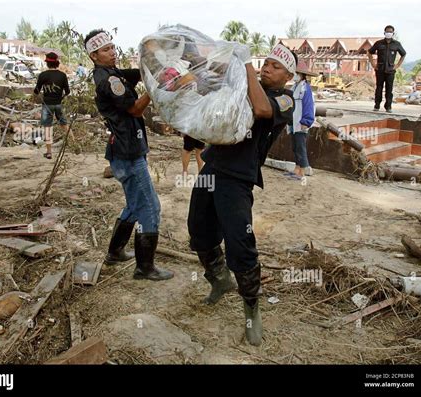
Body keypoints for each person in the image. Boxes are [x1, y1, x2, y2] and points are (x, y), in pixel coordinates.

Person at [187, 44, 296, 346]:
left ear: (288, 76)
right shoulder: (244, 85)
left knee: (240, 243)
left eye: (276, 66)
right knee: (198, 231)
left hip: (238, 179)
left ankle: (251, 308)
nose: (267, 68)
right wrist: (196, 59)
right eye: (267, 63)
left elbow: (261, 110)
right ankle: (219, 280)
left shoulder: (284, 100)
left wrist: (246, 63)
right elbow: (211, 84)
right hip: (213, 166)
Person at [84, 29, 173, 281]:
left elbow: (136, 74)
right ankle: (145, 268)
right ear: (93, 55)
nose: (112, 52)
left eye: (112, 47)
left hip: (122, 151)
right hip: (128, 153)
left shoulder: (112, 73)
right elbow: (134, 109)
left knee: (134, 205)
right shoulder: (108, 81)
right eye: (105, 50)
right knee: (150, 207)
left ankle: (115, 252)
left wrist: (154, 67)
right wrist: (153, 90)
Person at [33, 52, 70, 159]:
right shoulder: (62, 75)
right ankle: (75, 145)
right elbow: (67, 92)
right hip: (58, 104)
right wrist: (60, 98)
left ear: (47, 63)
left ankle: (49, 152)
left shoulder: (43, 75)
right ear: (57, 63)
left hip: (47, 105)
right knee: (64, 124)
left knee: (48, 128)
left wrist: (38, 95)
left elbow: (36, 91)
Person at [286, 61, 315, 179]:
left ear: (301, 75)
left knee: (300, 147)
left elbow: (308, 106)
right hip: (294, 122)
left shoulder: (305, 89)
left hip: (300, 123)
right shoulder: (295, 87)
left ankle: (302, 171)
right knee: (295, 146)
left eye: (296, 73)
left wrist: (306, 121)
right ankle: (297, 169)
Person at [367, 25, 406, 113]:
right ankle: (377, 105)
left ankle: (388, 107)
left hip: (391, 70)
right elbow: (369, 52)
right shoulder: (379, 43)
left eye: (390, 32)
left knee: (389, 89)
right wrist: (373, 64)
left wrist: (397, 65)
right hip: (380, 69)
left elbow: (403, 54)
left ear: (393, 33)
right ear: (384, 33)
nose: (389, 33)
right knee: (379, 88)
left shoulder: (397, 44)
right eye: (387, 31)